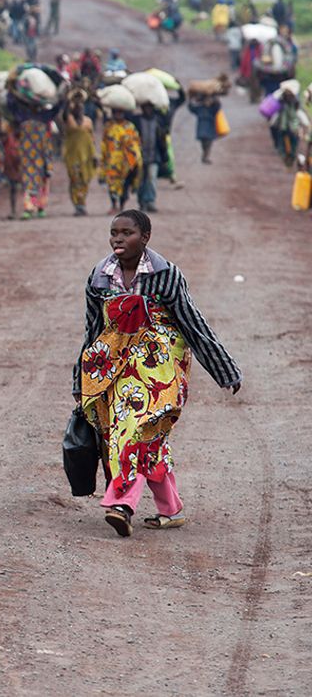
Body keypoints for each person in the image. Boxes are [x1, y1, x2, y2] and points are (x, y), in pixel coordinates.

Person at [75, 210, 241, 537]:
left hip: (160, 366)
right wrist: (80, 382)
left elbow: (193, 324)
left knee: (134, 429)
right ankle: (171, 509)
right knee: (145, 438)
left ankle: (121, 504)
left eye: (127, 233)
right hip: (116, 368)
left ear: (145, 237)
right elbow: (92, 330)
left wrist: (224, 369)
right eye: (114, 233)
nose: (118, 239)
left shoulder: (166, 274)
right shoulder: (99, 276)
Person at [101, 107, 142, 213]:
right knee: (112, 183)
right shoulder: (109, 127)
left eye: (120, 112)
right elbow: (104, 143)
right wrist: (103, 158)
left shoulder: (130, 126)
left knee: (125, 184)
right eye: (116, 112)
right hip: (112, 161)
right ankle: (114, 205)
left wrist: (136, 159)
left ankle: (122, 205)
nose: (118, 114)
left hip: (127, 162)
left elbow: (135, 143)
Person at [62, 94, 97, 216]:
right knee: (75, 180)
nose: (79, 109)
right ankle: (78, 204)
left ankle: (82, 203)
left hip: (87, 155)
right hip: (72, 156)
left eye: (80, 107)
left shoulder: (88, 121)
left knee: (85, 181)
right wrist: (67, 99)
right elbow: (64, 114)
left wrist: (95, 155)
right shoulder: (69, 119)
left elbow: (92, 139)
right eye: (76, 107)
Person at [129, 102, 163, 212]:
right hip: (139, 156)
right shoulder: (136, 120)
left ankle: (150, 201)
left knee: (151, 178)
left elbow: (161, 139)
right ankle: (142, 202)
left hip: (154, 155)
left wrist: (164, 156)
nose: (148, 110)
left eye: (150, 107)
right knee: (141, 180)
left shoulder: (158, 121)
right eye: (145, 107)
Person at [187, 93, 222, 164]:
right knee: (204, 145)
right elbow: (191, 108)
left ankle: (205, 157)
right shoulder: (199, 109)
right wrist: (190, 100)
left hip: (210, 130)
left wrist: (216, 98)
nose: (207, 102)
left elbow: (218, 106)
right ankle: (205, 156)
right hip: (201, 130)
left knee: (208, 144)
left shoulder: (213, 109)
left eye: (209, 101)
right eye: (206, 101)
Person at [2, 124, 23, 220]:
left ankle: (27, 208)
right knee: (13, 189)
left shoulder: (24, 139)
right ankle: (13, 210)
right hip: (11, 168)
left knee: (25, 189)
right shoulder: (9, 137)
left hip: (21, 167)